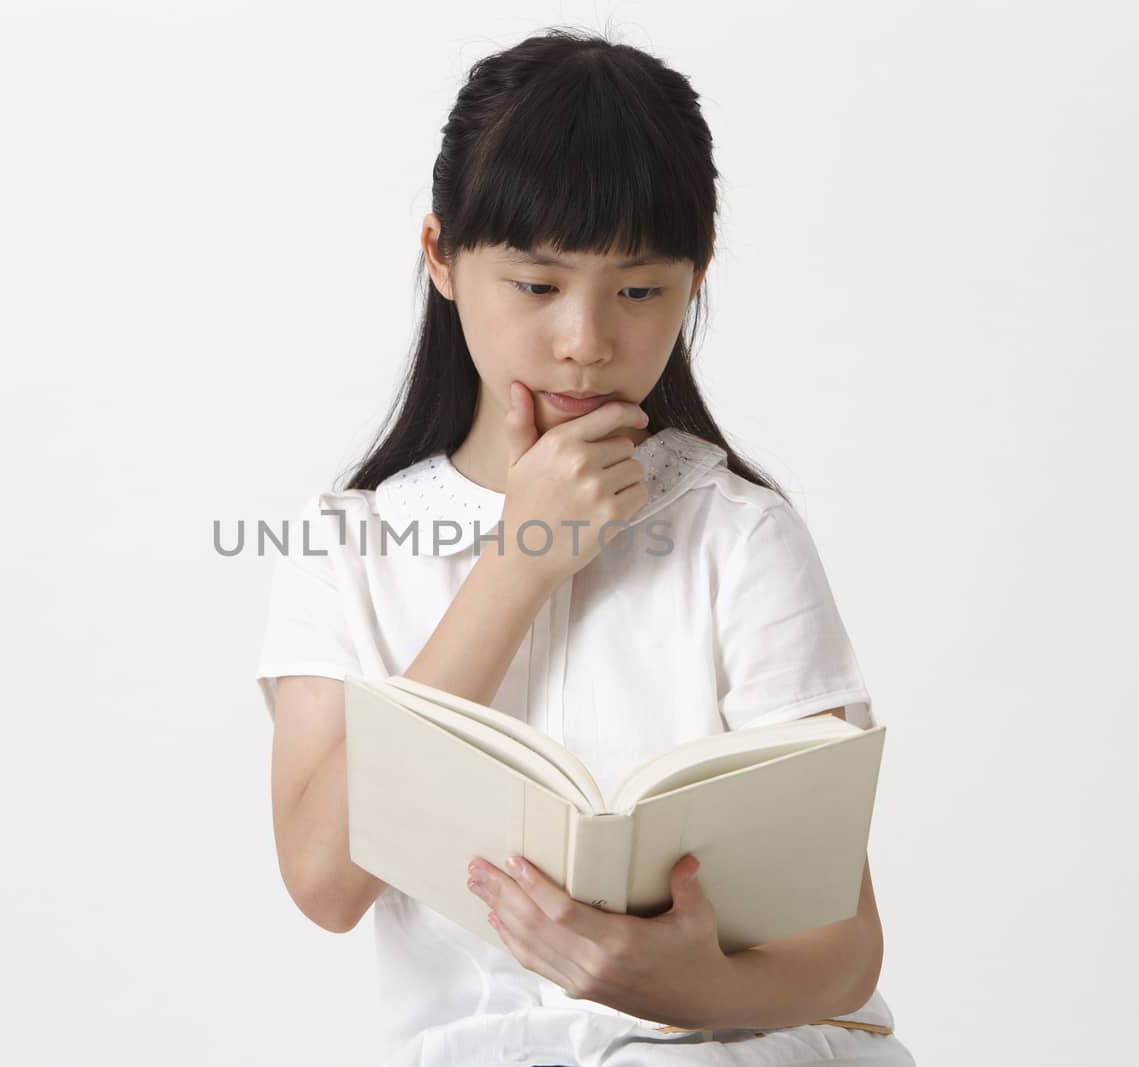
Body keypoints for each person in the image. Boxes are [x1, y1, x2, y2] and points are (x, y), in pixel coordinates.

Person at [254, 27, 917, 1067]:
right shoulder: (350, 545)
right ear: (441, 255)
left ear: (695, 279)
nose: (586, 339)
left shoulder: (735, 534)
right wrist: (518, 562)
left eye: (639, 291)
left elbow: (842, 945)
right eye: (535, 284)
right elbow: (325, 879)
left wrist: (698, 985)